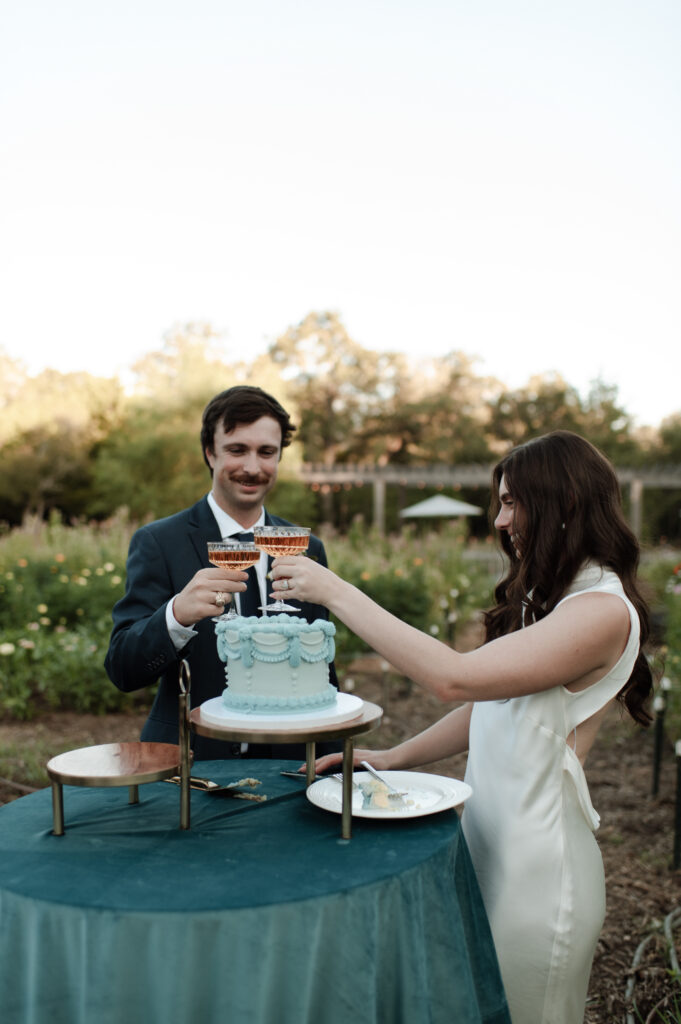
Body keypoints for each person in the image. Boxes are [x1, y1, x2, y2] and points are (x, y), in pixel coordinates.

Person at [268, 430, 653, 1024]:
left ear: (566, 503)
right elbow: (489, 708)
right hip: (486, 847)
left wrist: (335, 591)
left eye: (510, 502)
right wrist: (393, 758)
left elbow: (455, 679)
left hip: (540, 876)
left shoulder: (600, 611)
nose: (500, 522)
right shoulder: (552, 601)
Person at [105, 385, 339, 760]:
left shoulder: (307, 549)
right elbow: (123, 669)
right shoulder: (158, 542)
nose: (252, 467)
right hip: (189, 764)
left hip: (291, 765)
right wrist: (176, 615)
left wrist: (335, 763)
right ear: (210, 453)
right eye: (237, 450)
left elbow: (318, 668)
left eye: (266, 452)